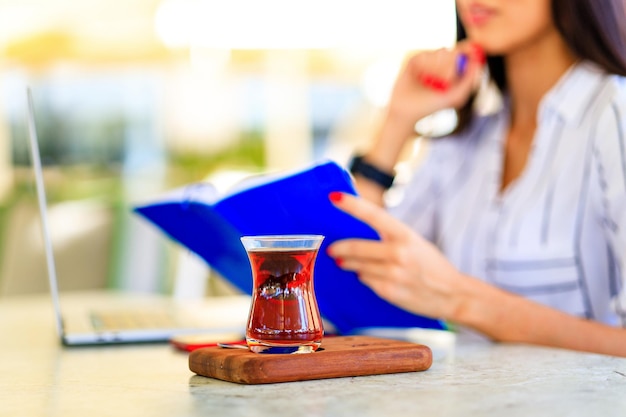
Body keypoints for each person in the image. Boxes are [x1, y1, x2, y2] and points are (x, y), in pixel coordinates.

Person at [326, 0, 626, 357]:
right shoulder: (467, 138)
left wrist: (459, 298)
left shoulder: (615, 116)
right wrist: (397, 122)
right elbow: (346, 282)